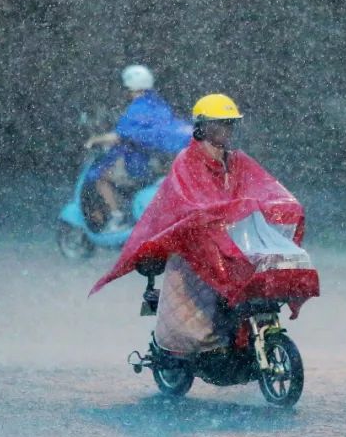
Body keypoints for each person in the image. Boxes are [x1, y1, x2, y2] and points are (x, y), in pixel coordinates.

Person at [89, 93, 319, 358]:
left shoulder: (237, 161)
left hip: (231, 240)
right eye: (218, 124)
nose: (225, 130)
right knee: (198, 307)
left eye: (229, 124)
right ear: (202, 127)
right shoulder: (186, 161)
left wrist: (283, 205)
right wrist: (219, 215)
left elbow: (264, 187)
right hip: (195, 245)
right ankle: (202, 351)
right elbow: (189, 204)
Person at [83, 64, 191, 232]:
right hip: (158, 161)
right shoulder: (158, 104)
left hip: (140, 162)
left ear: (131, 87)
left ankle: (117, 217)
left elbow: (119, 135)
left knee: (100, 177)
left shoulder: (137, 108)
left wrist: (94, 140)